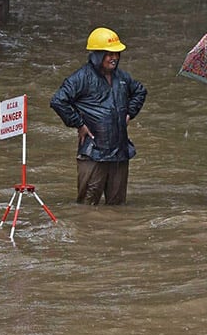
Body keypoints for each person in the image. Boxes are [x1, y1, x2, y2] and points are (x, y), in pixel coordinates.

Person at [50, 27, 147, 205]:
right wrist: (79, 124)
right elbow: (58, 101)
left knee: (117, 207)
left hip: (119, 152)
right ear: (96, 55)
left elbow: (140, 91)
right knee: (87, 206)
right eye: (109, 54)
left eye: (117, 53)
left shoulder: (122, 77)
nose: (114, 58)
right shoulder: (81, 78)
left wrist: (129, 113)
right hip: (94, 152)